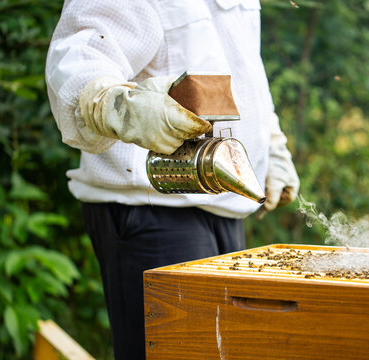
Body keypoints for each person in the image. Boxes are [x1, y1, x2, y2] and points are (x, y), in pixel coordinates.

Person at [45, 0, 299, 359]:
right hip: (152, 211)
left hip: (225, 206)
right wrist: (120, 107)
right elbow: (78, 57)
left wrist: (271, 143)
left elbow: (240, 66)